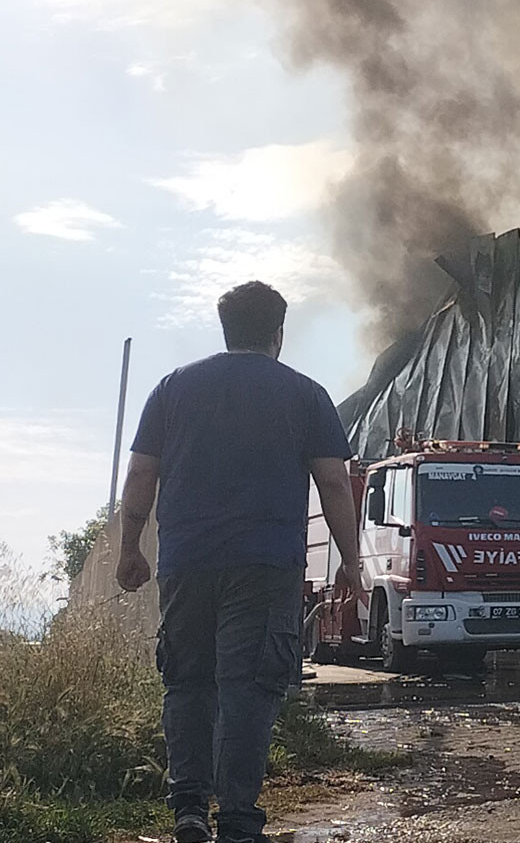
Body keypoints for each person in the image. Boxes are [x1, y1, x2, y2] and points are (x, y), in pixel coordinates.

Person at [115, 281, 364, 843]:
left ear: (225, 329)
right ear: (279, 333)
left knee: (187, 684)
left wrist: (131, 548)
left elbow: (141, 474)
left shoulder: (172, 388)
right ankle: (237, 821)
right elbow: (333, 482)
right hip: (266, 566)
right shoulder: (306, 394)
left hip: (186, 563)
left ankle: (188, 812)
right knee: (248, 689)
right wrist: (351, 562)